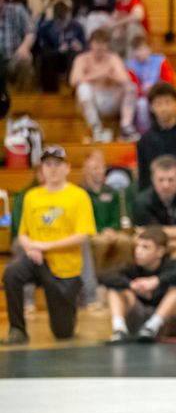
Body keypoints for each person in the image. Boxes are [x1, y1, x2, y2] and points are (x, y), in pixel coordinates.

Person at [2, 146, 96, 344]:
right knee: (11, 273)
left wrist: (43, 246)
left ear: (67, 168)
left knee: (63, 333)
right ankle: (17, 330)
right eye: (48, 164)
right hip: (37, 260)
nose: (52, 169)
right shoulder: (32, 197)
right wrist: (31, 247)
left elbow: (82, 235)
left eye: (57, 164)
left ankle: (68, 315)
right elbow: (23, 234)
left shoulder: (78, 196)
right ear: (42, 169)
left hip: (65, 267)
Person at [101, 226, 176, 343]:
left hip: (165, 322)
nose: (138, 251)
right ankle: (119, 329)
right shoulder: (132, 267)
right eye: (137, 246)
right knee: (114, 289)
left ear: (160, 251)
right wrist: (131, 285)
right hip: (138, 318)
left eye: (145, 247)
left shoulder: (170, 266)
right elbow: (104, 276)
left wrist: (156, 281)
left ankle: (152, 326)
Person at [69, 27, 138, 142]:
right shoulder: (82, 59)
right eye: (96, 43)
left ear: (107, 45)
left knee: (131, 88)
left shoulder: (113, 59)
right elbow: (73, 81)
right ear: (90, 43)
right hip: (93, 100)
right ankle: (96, 127)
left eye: (103, 43)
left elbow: (126, 80)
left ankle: (126, 126)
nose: (99, 47)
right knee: (83, 89)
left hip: (112, 98)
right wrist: (96, 75)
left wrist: (110, 76)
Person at [82, 149, 135, 273]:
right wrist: (100, 231)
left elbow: (118, 215)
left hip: (112, 231)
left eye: (102, 168)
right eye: (95, 168)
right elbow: (84, 218)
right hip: (91, 233)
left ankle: (124, 277)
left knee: (125, 241)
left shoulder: (112, 192)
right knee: (100, 243)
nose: (99, 172)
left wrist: (112, 229)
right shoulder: (81, 193)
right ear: (86, 170)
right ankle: (98, 278)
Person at [126, 35, 176, 132]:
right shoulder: (131, 66)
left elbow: (169, 82)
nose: (141, 53)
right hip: (141, 97)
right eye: (138, 50)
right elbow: (132, 86)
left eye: (143, 49)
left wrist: (155, 89)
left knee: (165, 102)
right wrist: (143, 91)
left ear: (149, 48)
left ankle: (167, 128)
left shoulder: (160, 61)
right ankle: (145, 132)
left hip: (160, 94)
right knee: (142, 104)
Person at [35, 0, 86, 93]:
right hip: (55, 57)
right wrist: (58, 50)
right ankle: (50, 92)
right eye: (60, 21)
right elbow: (42, 49)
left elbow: (86, 46)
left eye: (65, 19)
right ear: (55, 18)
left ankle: (73, 88)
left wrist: (80, 47)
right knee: (47, 57)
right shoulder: (46, 28)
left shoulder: (77, 27)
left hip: (71, 56)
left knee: (74, 55)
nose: (63, 24)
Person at [0, 0, 35, 90]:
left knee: (26, 59)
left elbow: (30, 32)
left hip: (14, 57)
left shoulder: (17, 9)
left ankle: (24, 99)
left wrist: (24, 47)